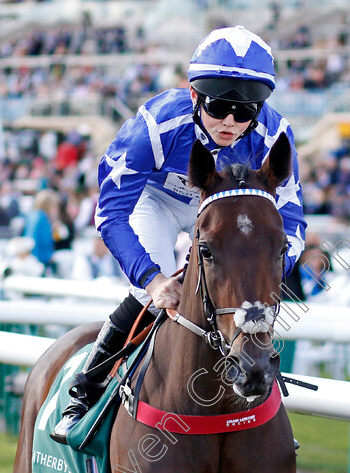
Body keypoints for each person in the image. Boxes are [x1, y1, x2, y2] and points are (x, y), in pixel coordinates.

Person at [50, 26, 307, 444]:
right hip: (154, 202)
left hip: (220, 208)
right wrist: (153, 280)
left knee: (237, 292)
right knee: (157, 291)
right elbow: (111, 213)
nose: (230, 122)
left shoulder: (274, 136)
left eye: (244, 113)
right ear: (194, 95)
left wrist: (265, 276)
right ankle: (87, 387)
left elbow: (291, 223)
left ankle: (259, 395)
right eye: (220, 106)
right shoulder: (155, 126)